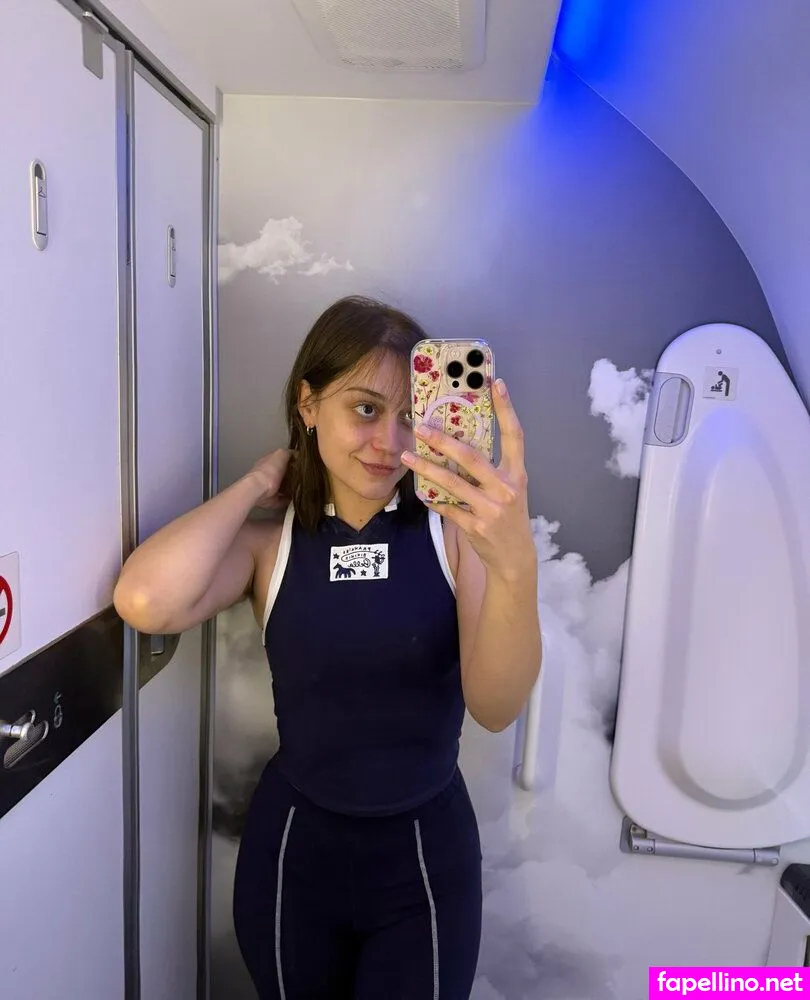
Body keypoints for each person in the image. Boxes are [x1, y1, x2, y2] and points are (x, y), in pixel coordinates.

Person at [113, 296, 542, 1000]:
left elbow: (496, 708)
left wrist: (515, 565)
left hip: (425, 869)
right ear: (308, 405)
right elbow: (144, 601)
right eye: (365, 409)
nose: (388, 442)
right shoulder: (270, 545)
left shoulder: (457, 541)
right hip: (292, 859)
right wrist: (259, 482)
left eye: (409, 417)